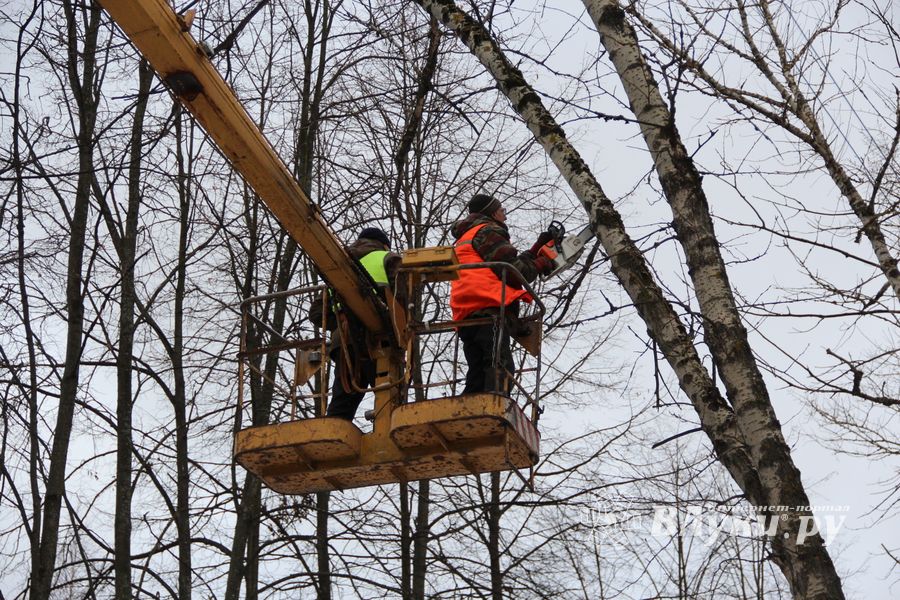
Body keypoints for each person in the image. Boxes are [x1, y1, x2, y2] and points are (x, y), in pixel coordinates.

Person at [449, 194, 554, 394]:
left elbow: (502, 264)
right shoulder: (488, 231)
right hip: (489, 307)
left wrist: (533, 252)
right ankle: (491, 409)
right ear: (493, 212)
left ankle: (470, 410)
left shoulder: (467, 235)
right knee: (501, 371)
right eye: (502, 211)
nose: (504, 217)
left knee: (478, 373)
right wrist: (541, 263)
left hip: (466, 311)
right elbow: (516, 273)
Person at [309, 227, 401, 420]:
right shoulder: (388, 258)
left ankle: (332, 441)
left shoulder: (340, 267)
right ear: (384, 244)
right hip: (379, 341)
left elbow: (317, 313)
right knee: (392, 399)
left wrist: (342, 320)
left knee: (342, 404)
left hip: (345, 345)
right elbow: (401, 299)